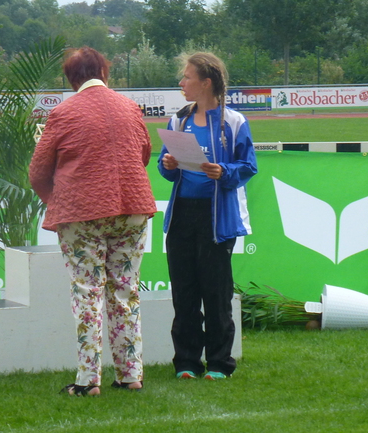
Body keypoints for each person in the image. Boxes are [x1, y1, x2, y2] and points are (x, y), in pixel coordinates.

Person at [29, 47, 156, 396]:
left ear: (72, 78)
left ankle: (88, 380)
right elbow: (143, 154)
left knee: (87, 293)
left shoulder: (63, 113)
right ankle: (130, 374)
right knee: (126, 290)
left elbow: (38, 172)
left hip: (82, 213)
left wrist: (58, 200)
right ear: (105, 71)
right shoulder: (129, 107)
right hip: (132, 207)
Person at [157, 52, 257, 381]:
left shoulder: (234, 122)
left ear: (206, 83)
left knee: (215, 293)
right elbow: (166, 169)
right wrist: (168, 165)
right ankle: (186, 362)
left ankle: (218, 363)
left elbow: (248, 166)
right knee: (184, 292)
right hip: (182, 215)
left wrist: (223, 171)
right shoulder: (179, 120)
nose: (181, 83)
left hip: (217, 218)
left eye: (187, 77)